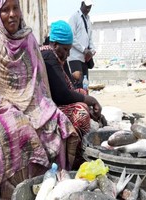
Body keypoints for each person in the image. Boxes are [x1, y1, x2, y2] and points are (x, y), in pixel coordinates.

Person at [0, 0, 80, 198]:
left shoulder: (29, 39)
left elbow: (39, 85)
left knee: (57, 123)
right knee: (19, 128)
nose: (12, 14)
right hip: (0, 110)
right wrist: (15, 110)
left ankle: (53, 185)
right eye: (5, 10)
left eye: (15, 8)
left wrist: (41, 108)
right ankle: (17, 191)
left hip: (33, 105)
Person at [40, 20, 104, 170]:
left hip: (54, 101)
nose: (68, 54)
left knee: (82, 93)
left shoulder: (56, 55)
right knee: (80, 112)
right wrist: (90, 100)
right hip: (45, 108)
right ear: (55, 44)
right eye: (66, 50)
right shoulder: (48, 56)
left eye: (69, 50)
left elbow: (68, 85)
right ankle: (76, 159)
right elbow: (62, 95)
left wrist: (86, 98)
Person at [68, 0, 96, 89]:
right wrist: (84, 50)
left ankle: (85, 102)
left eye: (90, 7)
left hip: (85, 58)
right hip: (75, 57)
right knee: (77, 84)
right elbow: (72, 37)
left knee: (85, 84)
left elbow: (89, 37)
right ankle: (77, 102)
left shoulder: (88, 19)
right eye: (87, 6)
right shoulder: (74, 17)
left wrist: (92, 50)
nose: (88, 9)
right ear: (82, 4)